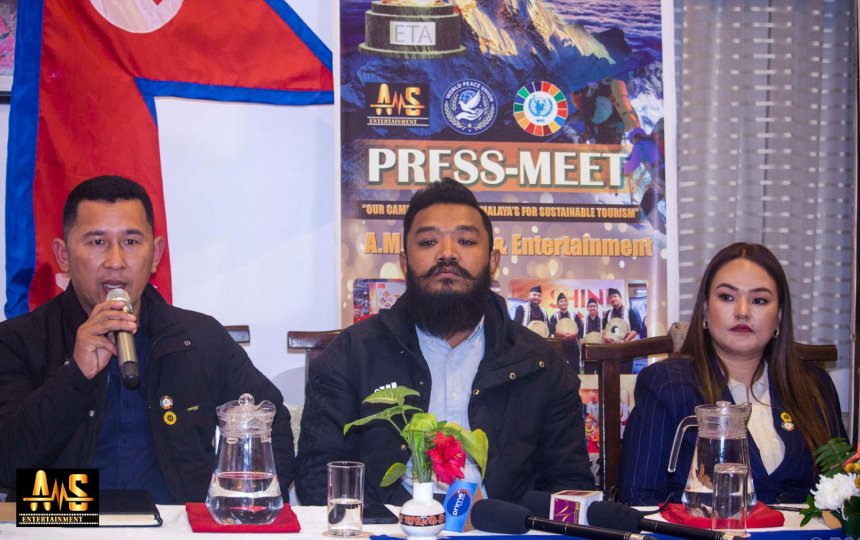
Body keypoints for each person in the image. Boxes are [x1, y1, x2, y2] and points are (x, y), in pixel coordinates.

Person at [296, 178, 592, 505]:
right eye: (428, 242)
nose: (447, 254)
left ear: (493, 261)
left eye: (465, 241)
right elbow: (319, 481)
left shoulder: (540, 363)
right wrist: (405, 519)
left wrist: (499, 519)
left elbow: (569, 485)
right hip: (388, 527)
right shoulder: (352, 355)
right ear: (405, 263)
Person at [0, 176, 294, 503]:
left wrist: (240, 504)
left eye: (130, 242)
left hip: (174, 519)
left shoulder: (197, 338)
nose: (115, 261)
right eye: (97, 242)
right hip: (63, 514)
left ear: (155, 254)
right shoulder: (18, 340)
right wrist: (75, 373)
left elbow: (272, 424)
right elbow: (7, 462)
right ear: (63, 254)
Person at [620, 243, 845, 505]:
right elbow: (639, 500)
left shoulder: (815, 385)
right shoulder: (665, 384)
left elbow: (846, 492)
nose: (742, 312)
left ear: (779, 316)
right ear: (705, 309)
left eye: (759, 300)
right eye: (727, 297)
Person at [548, 292, 584, 368]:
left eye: (565, 301)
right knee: (560, 368)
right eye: (561, 301)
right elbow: (552, 330)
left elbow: (580, 328)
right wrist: (564, 335)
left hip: (573, 346)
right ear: (558, 304)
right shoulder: (554, 316)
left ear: (567, 303)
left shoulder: (574, 315)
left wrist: (573, 335)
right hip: (560, 346)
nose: (563, 303)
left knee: (574, 368)